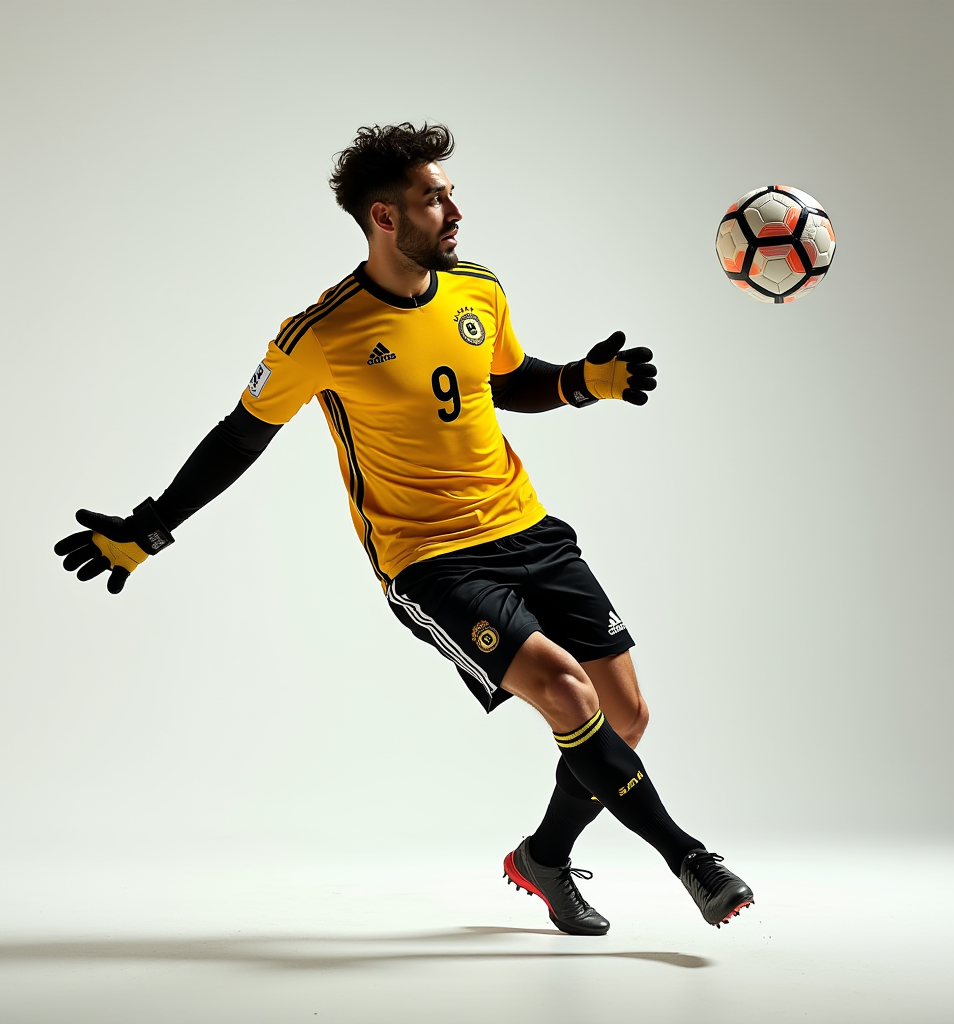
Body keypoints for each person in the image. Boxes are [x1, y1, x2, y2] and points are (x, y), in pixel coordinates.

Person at [54, 122, 753, 933]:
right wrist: (150, 527)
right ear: (385, 218)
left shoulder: (478, 289)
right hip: (430, 562)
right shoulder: (320, 334)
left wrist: (579, 382)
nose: (453, 208)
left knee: (624, 717)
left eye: (450, 191)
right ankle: (689, 858)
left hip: (529, 528)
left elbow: (501, 379)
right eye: (434, 196)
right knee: (566, 692)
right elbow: (240, 435)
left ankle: (543, 860)